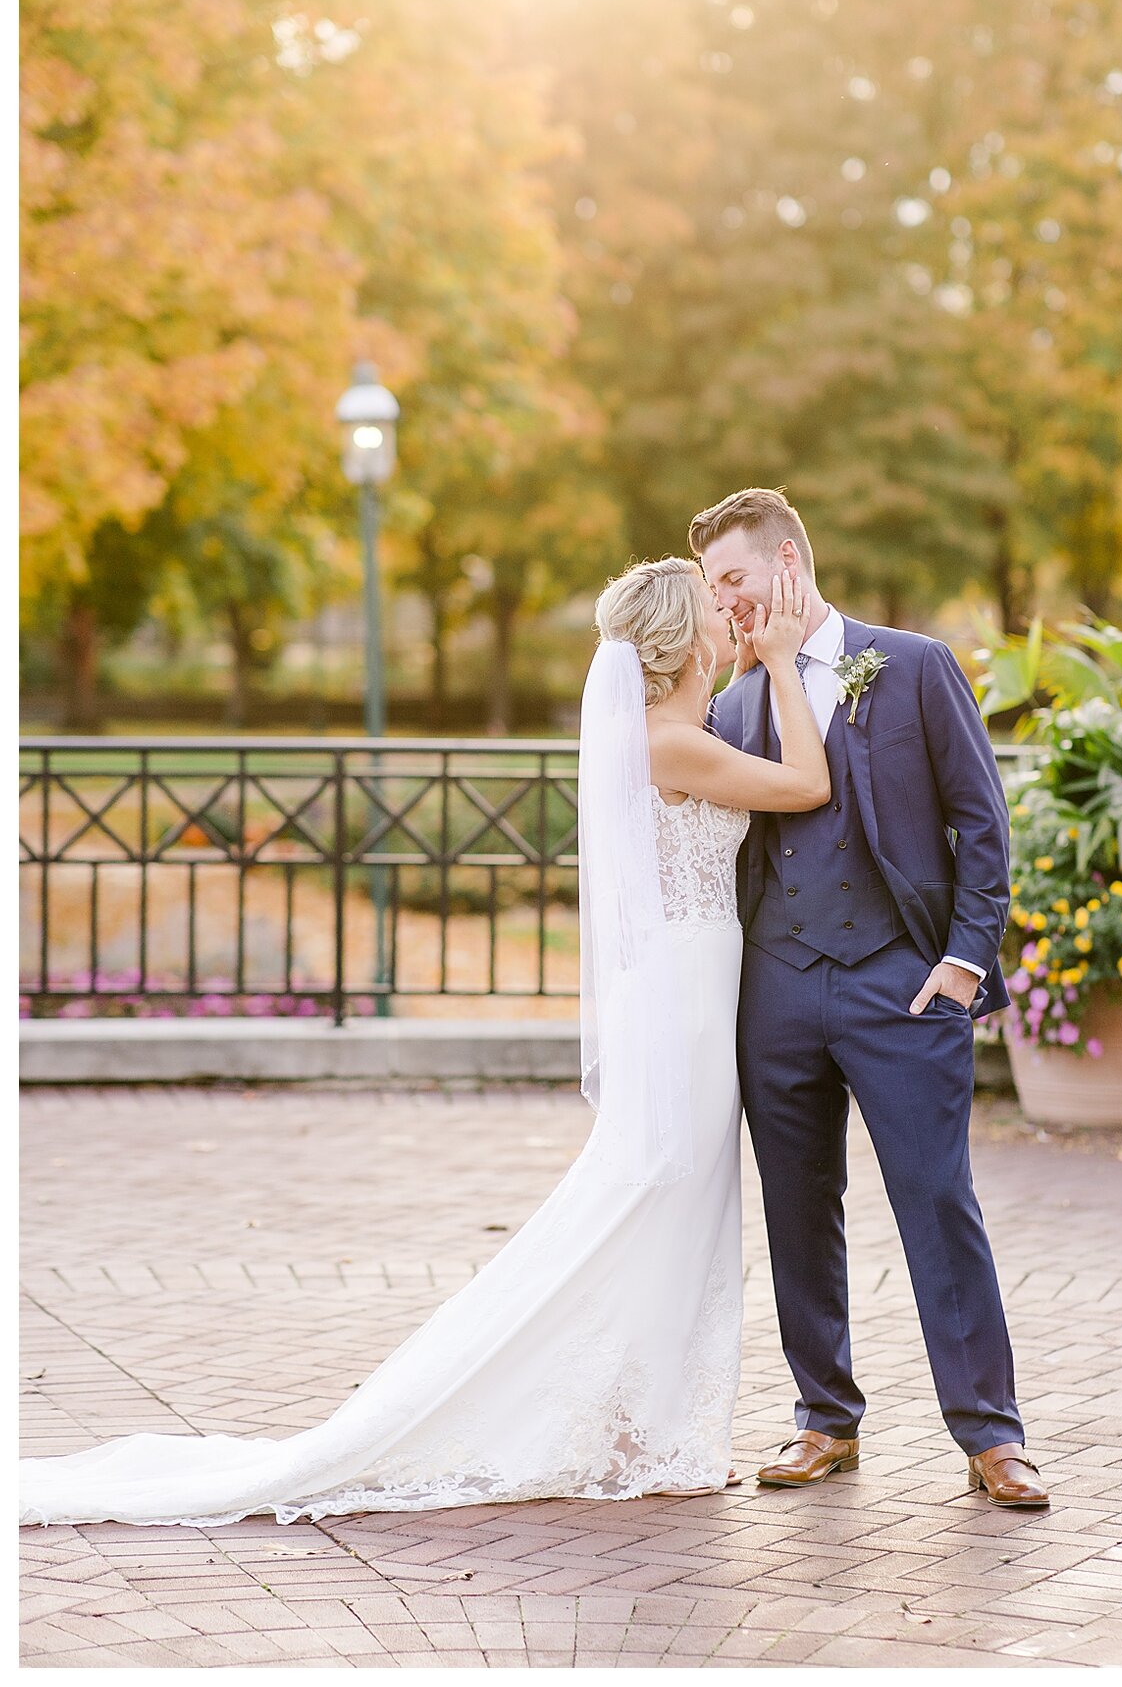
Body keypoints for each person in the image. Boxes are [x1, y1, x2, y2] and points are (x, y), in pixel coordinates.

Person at [19, 558, 826, 1528]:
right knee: (656, 1194)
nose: (726, 619)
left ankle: (646, 1433)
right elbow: (807, 783)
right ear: (678, 639)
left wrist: (752, 669)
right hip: (680, 1000)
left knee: (675, 1201)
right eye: (711, 611)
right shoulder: (668, 742)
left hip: (691, 990)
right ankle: (633, 1434)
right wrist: (780, 661)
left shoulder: (675, 731)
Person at [691, 487, 1049, 1508]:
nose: (725, 603)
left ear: (788, 560)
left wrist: (963, 961)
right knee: (796, 1207)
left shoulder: (913, 666)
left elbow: (982, 823)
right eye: (715, 588)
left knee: (938, 1198)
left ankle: (990, 1434)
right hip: (777, 986)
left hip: (902, 981)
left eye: (733, 579)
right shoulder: (732, 702)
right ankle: (823, 1420)